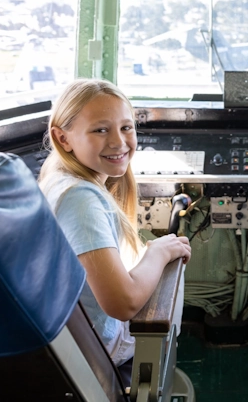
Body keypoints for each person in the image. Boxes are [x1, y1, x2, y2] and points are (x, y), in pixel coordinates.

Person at [38, 79, 191, 385]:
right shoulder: (81, 200)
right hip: (99, 351)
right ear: (62, 137)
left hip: (71, 338)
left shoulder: (57, 175)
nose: (119, 142)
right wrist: (157, 252)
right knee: (173, 265)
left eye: (126, 127)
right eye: (100, 129)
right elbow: (123, 304)